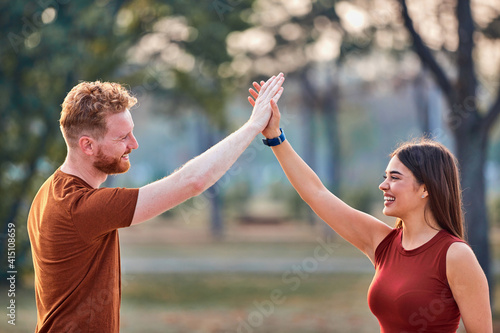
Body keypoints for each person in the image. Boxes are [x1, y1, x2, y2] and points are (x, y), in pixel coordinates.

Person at [27, 73, 284, 332]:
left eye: (132, 133)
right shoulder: (81, 207)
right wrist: (253, 125)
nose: (134, 144)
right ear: (87, 145)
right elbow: (192, 181)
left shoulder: (48, 192)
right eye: (122, 137)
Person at [248, 81, 492, 332]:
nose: (383, 185)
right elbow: (316, 194)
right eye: (385, 176)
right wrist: (275, 136)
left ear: (426, 188)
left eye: (395, 178)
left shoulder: (455, 255)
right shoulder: (382, 242)